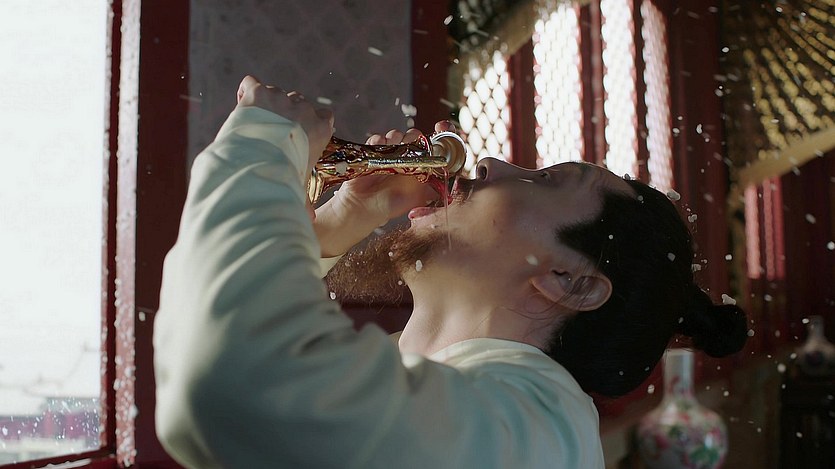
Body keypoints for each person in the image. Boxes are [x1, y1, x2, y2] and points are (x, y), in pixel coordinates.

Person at [153, 75, 748, 468]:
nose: (488, 163)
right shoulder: (464, 388)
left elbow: (226, 379)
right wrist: (333, 227)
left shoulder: (536, 431)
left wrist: (263, 141)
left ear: (572, 282)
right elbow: (220, 365)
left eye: (545, 180)